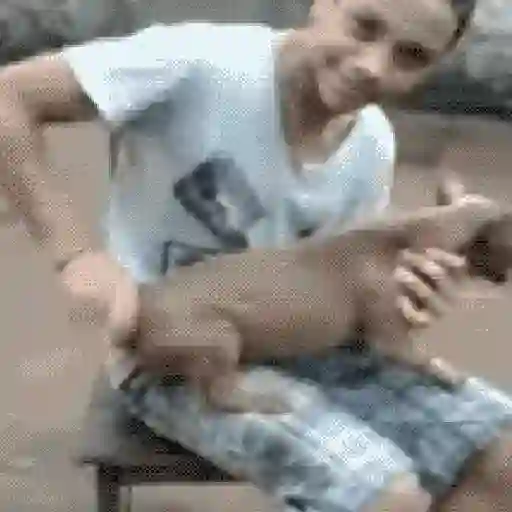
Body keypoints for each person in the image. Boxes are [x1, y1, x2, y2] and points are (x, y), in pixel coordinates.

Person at [0, 0, 510, 510]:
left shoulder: (372, 143)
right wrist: (75, 254)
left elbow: (347, 290)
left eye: (411, 55)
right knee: (386, 494)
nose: (372, 66)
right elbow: (10, 96)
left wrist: (409, 302)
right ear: (324, 4)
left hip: (305, 341)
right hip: (179, 353)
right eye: (364, 27)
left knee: (503, 456)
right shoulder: (197, 62)